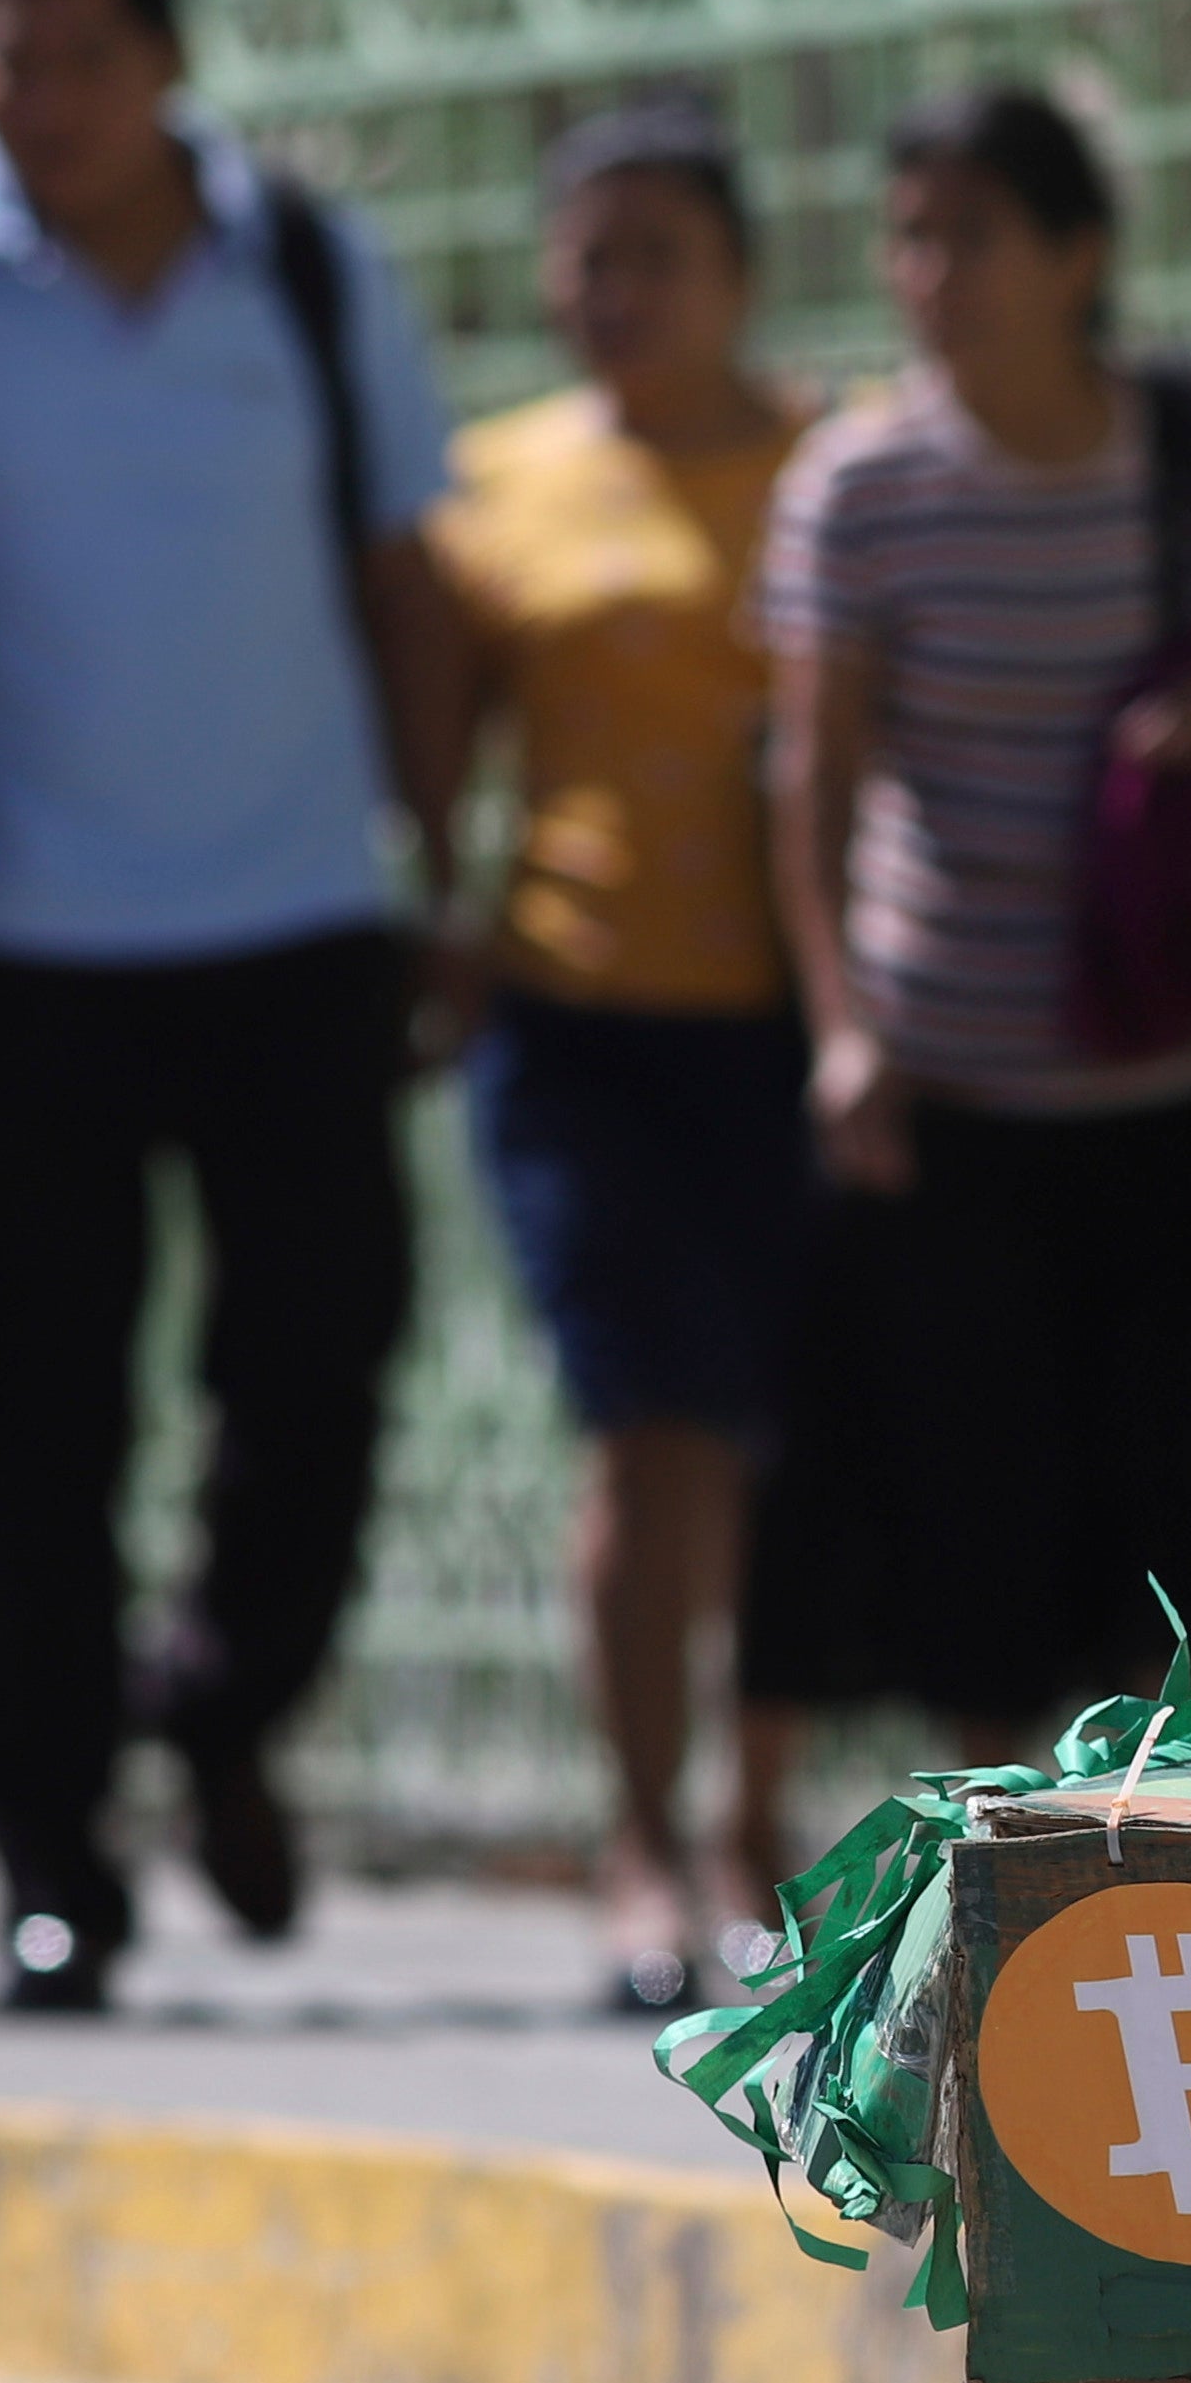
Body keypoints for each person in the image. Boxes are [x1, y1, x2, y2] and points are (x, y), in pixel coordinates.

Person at [0, 0, 457, 2013]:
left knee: (321, 1360)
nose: (39, 98)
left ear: (165, 59)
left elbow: (407, 573)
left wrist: (448, 864)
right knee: (31, 1427)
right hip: (11, 944)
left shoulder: (315, 267)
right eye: (5, 57)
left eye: (80, 54)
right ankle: (49, 1866)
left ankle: (225, 1698)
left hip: (296, 917)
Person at [747, 85, 1191, 1846]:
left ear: (1078, 254)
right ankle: (991, 1851)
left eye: (972, 235)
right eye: (908, 236)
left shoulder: (1178, 437)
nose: (930, 275)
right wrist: (840, 1029)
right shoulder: (858, 487)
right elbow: (818, 779)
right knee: (972, 1500)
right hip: (955, 1083)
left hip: (1183, 1069)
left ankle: (1187, 1836)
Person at [404, 97, 814, 2015]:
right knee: (643, 1436)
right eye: (588, 255)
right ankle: (641, 1836)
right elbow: (431, 759)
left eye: (660, 252)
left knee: (786, 1440)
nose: (617, 290)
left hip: (801, 1019)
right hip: (577, 1020)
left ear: (737, 273)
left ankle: (759, 1825)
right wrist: (428, 937)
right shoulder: (490, 489)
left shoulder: (834, 462)